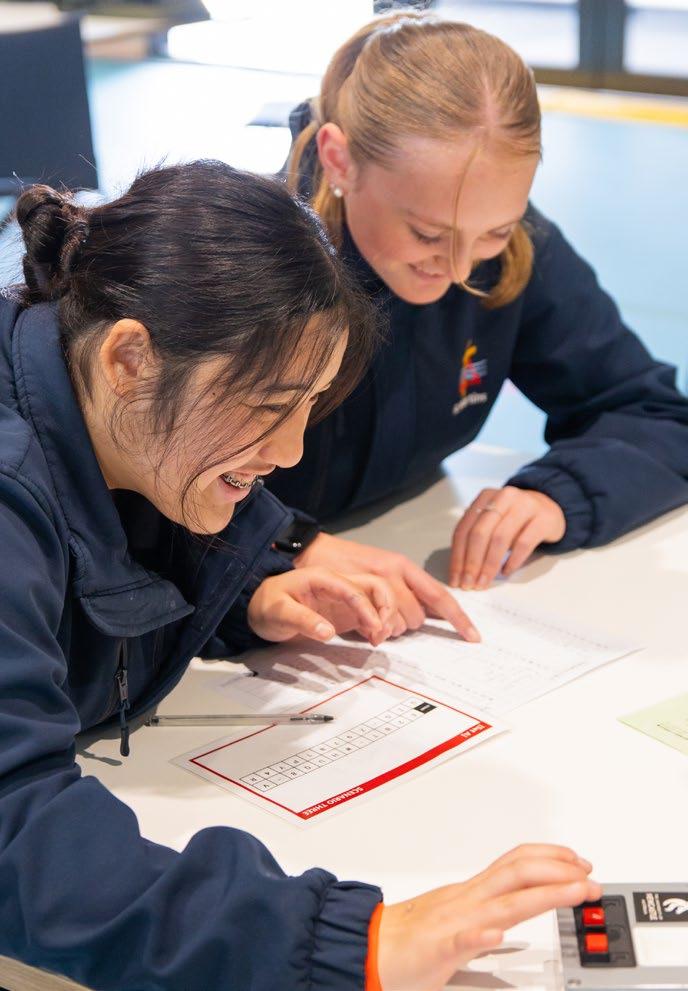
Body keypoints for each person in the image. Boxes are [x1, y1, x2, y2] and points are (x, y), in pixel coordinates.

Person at [0, 162, 599, 991]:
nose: (289, 451)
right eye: (267, 404)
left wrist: (240, 595)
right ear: (129, 357)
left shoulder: (103, 407)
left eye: (309, 404)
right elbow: (16, 836)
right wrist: (347, 944)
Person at [274, 11, 688, 598]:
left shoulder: (517, 251)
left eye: (494, 231)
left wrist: (556, 495)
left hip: (399, 542)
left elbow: (654, 412)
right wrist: (280, 544)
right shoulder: (243, 264)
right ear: (339, 160)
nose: (461, 268)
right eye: (427, 233)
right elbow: (151, 486)